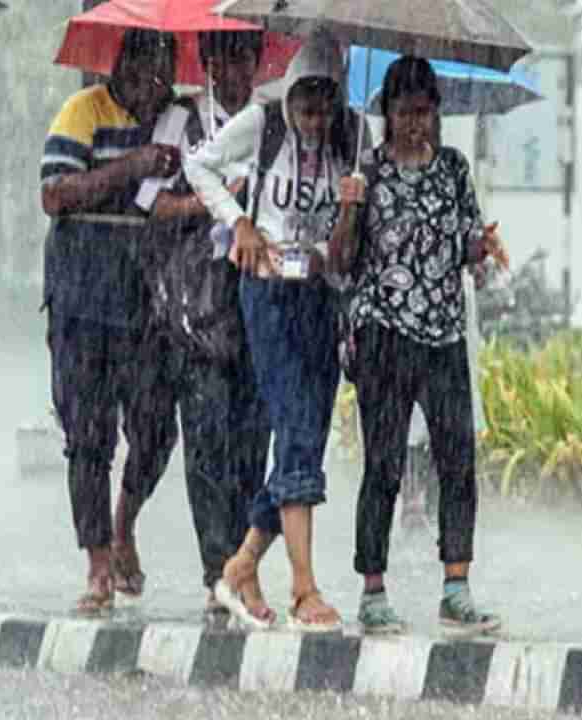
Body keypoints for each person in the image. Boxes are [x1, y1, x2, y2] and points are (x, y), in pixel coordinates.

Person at [185, 26, 366, 631]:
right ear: (288, 92)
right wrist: (238, 222)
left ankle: (240, 564)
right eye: (305, 98)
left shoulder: (355, 137)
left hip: (321, 298)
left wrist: (344, 214)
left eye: (326, 99)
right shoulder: (261, 126)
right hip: (265, 293)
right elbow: (199, 165)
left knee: (305, 438)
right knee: (292, 426)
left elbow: (345, 248)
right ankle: (304, 587)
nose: (315, 113)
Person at [330, 56, 506, 633]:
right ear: (386, 114)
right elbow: (343, 262)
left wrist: (483, 247)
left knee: (457, 461)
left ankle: (456, 585)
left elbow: (466, 244)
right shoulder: (368, 172)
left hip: (444, 335)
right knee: (383, 464)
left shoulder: (454, 169)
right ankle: (372, 588)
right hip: (384, 333)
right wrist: (350, 208)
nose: (416, 125)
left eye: (425, 113)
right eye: (405, 113)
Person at [39, 29, 181, 615]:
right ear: (120, 65)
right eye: (143, 63)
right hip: (81, 297)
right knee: (88, 437)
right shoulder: (82, 110)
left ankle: (125, 522)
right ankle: (97, 561)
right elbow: (55, 194)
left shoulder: (178, 120)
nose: (153, 78)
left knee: (155, 429)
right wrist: (133, 166)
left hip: (150, 299)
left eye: (164, 65)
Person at [134, 30, 273, 619]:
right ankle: (214, 567)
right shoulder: (182, 120)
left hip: (261, 305)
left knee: (252, 444)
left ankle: (244, 566)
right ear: (208, 59)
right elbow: (150, 203)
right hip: (196, 309)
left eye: (246, 54)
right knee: (207, 442)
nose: (235, 66)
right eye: (224, 54)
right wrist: (214, 203)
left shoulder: (275, 122)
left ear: (259, 60)